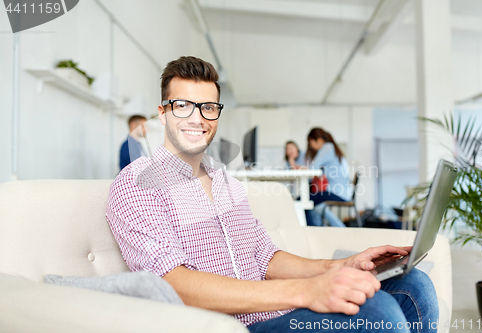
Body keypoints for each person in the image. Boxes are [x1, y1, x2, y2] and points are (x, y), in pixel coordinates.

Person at [106, 56, 438, 333]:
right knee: (375, 309)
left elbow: (266, 258)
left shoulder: (224, 180)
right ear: (162, 113)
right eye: (183, 106)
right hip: (227, 325)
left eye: (208, 107)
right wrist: (307, 291)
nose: (197, 117)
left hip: (276, 315)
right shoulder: (138, 182)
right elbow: (173, 284)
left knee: (413, 286)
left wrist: (343, 266)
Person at [304, 128, 350, 227]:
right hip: (340, 191)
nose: (311, 146)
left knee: (303, 200)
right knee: (314, 206)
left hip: (337, 192)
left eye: (310, 142)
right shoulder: (332, 148)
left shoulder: (327, 147)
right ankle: (319, 230)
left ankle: (310, 232)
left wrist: (302, 169)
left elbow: (313, 168)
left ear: (319, 140)